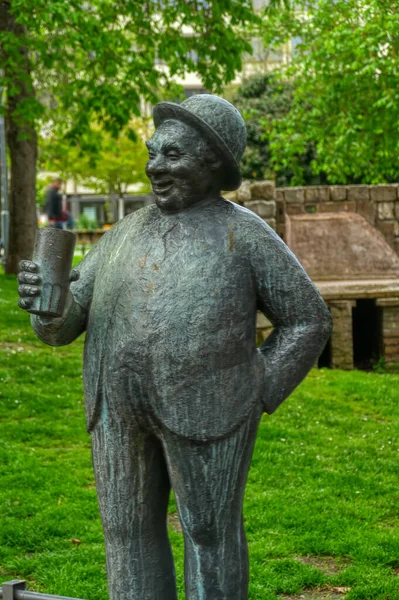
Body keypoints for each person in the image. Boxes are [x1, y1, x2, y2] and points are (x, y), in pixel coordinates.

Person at [18, 95, 332, 600]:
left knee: (208, 533)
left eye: (173, 156)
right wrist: (46, 307)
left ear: (212, 161)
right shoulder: (125, 233)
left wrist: (258, 388)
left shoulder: (244, 234)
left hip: (212, 409)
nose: (154, 168)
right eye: (153, 153)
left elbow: (308, 318)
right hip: (117, 408)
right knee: (126, 534)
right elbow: (63, 323)